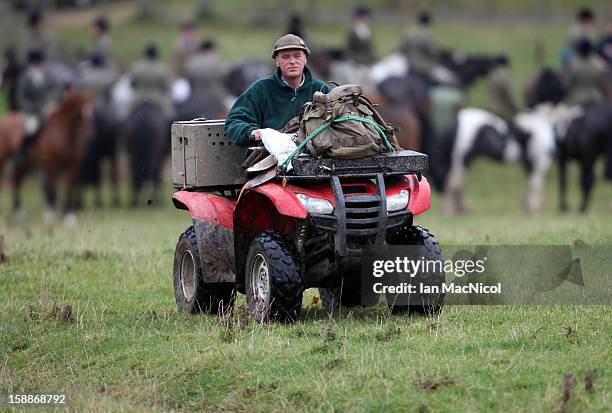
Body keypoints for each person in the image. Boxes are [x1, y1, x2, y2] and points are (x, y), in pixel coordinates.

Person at [224, 34, 331, 146]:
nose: (292, 61)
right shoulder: (261, 89)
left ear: (305, 59)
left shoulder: (321, 89)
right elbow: (234, 122)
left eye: (297, 56)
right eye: (285, 57)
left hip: (313, 155)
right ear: (277, 61)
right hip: (269, 156)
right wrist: (251, 132)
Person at [13, 49, 59, 167]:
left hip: (46, 107)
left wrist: (51, 100)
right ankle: (21, 154)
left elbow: (55, 88)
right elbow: (20, 96)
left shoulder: (46, 74)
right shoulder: (24, 76)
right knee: (31, 128)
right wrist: (31, 107)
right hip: (32, 111)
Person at [129, 43, 173, 118]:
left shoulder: (137, 66)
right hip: (157, 100)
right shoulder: (162, 68)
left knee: (124, 115)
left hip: (139, 99)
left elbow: (132, 84)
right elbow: (166, 87)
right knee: (170, 115)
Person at [183, 39, 230, 107]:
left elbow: (189, 81)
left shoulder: (192, 62)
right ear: (212, 49)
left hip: (196, 99)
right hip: (215, 100)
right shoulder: (217, 61)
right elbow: (226, 78)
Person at [564, 38, 607, 107]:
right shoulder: (597, 63)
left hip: (577, 99)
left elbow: (568, 83)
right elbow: (602, 83)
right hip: (595, 98)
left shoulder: (573, 64)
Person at [401, 11, 439, 77]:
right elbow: (432, 52)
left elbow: (403, 48)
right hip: (424, 66)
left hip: (407, 64)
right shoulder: (425, 35)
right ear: (428, 22)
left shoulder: (408, 31)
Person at [487, 55, 518, 123]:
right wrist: (516, 109)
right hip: (503, 113)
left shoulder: (492, 74)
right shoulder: (504, 75)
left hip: (492, 110)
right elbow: (509, 95)